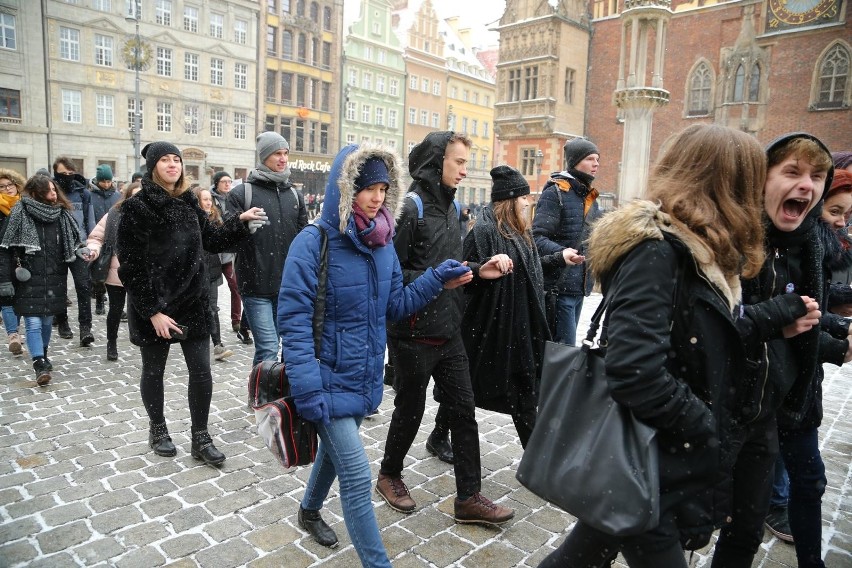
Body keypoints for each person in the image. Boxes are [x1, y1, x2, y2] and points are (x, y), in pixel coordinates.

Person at [538, 123, 820, 568]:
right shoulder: (658, 251)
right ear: (724, 185)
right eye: (749, 182)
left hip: (655, 454)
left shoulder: (702, 252)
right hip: (646, 451)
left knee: (582, 554)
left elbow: (702, 336)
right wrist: (703, 425)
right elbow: (635, 368)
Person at [279, 144, 468, 566]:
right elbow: (292, 324)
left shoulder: (381, 243)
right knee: (356, 471)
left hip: (359, 378)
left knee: (336, 452)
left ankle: (309, 510)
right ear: (345, 189)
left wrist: (438, 278)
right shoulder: (313, 243)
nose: (377, 197)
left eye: (384, 188)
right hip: (323, 378)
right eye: (368, 188)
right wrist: (308, 390)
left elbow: (395, 305)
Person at [711, 133, 846, 568]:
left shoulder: (809, 242)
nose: (806, 185)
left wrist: (834, 338)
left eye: (816, 177)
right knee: (678, 522)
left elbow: (805, 321)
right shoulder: (733, 238)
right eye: (792, 172)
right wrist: (777, 320)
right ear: (760, 180)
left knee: (747, 531)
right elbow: (711, 329)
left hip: (777, 408)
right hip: (723, 408)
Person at [377, 131, 515, 526]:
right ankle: (389, 474)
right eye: (457, 162)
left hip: (449, 329)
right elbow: (392, 278)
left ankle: (469, 496)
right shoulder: (410, 209)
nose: (464, 170)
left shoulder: (452, 210)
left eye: (465, 162)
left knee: (463, 411)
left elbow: (450, 268)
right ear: (437, 163)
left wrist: (478, 271)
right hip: (412, 332)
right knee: (410, 409)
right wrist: (439, 280)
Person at [116, 142, 266, 465]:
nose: (173, 165)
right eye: (165, 160)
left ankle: (201, 437)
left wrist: (239, 221)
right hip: (154, 306)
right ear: (153, 167)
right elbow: (129, 265)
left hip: (192, 303)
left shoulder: (188, 201)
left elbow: (212, 238)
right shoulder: (137, 207)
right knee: (154, 372)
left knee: (201, 372)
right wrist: (152, 311)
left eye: (177, 160)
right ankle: (158, 429)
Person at [461, 166, 583, 448]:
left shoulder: (519, 232)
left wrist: (558, 258)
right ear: (511, 199)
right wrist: (486, 267)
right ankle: (539, 455)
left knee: (513, 387)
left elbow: (529, 269)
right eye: (524, 197)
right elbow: (464, 275)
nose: (529, 203)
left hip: (521, 323)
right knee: (484, 388)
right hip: (492, 328)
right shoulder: (483, 231)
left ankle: (440, 433)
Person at [227, 132, 308, 366]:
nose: (283, 159)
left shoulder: (294, 194)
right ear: (264, 157)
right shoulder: (242, 193)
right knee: (269, 346)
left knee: (274, 347)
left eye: (285, 153)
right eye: (277, 154)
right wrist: (240, 224)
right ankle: (262, 399)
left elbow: (304, 240)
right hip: (255, 284)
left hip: (287, 286)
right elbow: (224, 239)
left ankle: (263, 389)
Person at [0, 175, 88, 385]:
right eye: (49, 190)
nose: (54, 194)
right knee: (33, 322)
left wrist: (83, 257)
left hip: (55, 278)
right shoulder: (19, 213)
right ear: (37, 193)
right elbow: (4, 249)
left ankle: (43, 353)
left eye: (54, 189)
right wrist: (4, 280)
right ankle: (39, 362)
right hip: (28, 278)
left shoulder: (62, 215)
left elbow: (74, 246)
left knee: (47, 322)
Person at [532, 137, 602, 346]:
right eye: (590, 159)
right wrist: (562, 253)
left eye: (597, 159)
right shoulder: (556, 193)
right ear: (575, 162)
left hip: (580, 286)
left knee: (563, 352)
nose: (596, 164)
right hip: (559, 287)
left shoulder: (590, 197)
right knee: (563, 350)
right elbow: (537, 238)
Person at [86, 182, 140, 361]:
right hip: (115, 271)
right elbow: (96, 237)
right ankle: (112, 342)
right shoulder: (114, 214)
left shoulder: (152, 217)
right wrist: (93, 250)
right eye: (134, 195)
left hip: (141, 272)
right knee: (116, 310)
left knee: (139, 309)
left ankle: (142, 340)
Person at [52, 157, 96, 345]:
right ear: (55, 173)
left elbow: (89, 219)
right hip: (57, 247)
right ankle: (62, 322)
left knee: (83, 287)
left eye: (71, 173)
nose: (68, 177)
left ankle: (85, 328)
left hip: (79, 245)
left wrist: (90, 242)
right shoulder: (51, 192)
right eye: (63, 174)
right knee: (59, 287)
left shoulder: (83, 193)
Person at [193, 186, 234, 362]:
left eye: (210, 199)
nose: (209, 202)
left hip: (212, 271)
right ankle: (194, 342)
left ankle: (218, 345)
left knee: (212, 307)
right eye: (205, 199)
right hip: (194, 273)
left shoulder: (215, 219)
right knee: (198, 309)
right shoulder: (191, 220)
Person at [210, 170, 251, 344]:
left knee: (235, 286)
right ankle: (214, 325)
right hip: (212, 252)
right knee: (212, 293)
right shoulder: (210, 199)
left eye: (229, 181)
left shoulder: (235, 198)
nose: (228, 184)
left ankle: (236, 321)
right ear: (217, 183)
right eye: (224, 182)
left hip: (228, 253)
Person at [89, 164, 121, 316]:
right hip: (96, 235)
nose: (107, 184)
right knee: (98, 272)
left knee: (113, 273)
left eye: (109, 181)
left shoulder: (116, 196)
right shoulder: (91, 195)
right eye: (104, 181)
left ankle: (117, 305)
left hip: (112, 238)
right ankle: (99, 299)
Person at [0, 168, 25, 355]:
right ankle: (13, 335)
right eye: (2, 187)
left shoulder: (24, 206)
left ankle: (15, 329)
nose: (7, 189)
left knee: (20, 296)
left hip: (23, 258)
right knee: (6, 294)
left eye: (10, 185)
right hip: (3, 257)